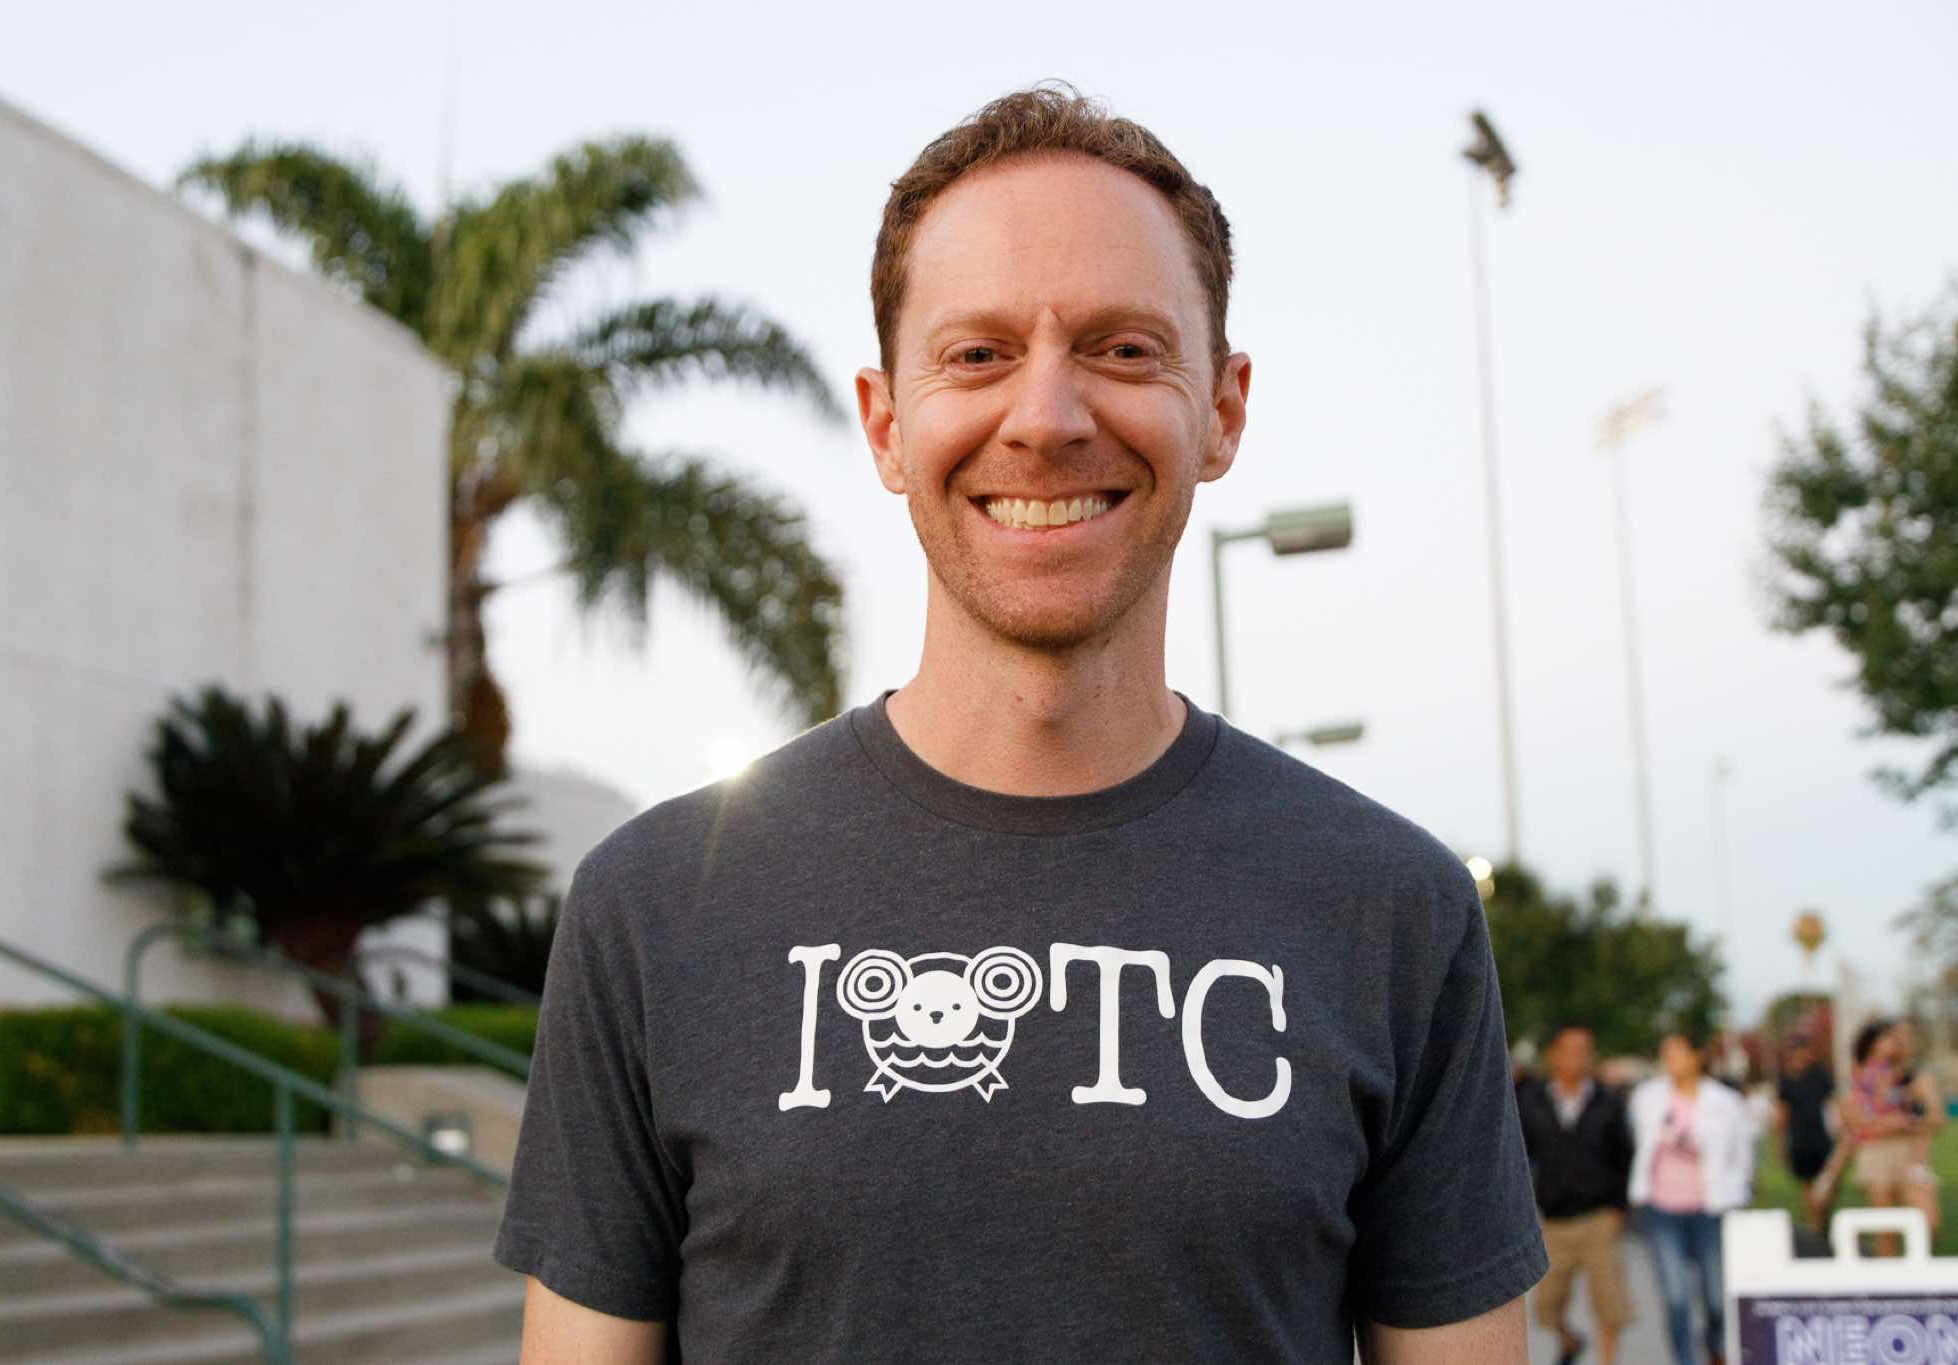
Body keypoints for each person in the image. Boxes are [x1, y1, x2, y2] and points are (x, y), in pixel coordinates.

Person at [493, 85, 1547, 1363]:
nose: (1045, 418)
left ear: (1222, 409)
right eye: (978, 355)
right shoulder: (654, 908)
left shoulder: (1393, 912)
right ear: (886, 423)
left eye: (1122, 349)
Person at [1627, 1029, 1753, 1365]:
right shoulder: (1648, 1098)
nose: (1672, 1060)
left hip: (1710, 1208)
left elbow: (1742, 1156)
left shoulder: (1725, 1102)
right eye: (1666, 1053)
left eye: (1679, 1052)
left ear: (1697, 1056)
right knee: (1676, 1296)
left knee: (1716, 1296)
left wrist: (1738, 1193)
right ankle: (1684, 1359)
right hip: (1662, 1209)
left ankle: (1716, 1347)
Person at [1516, 1024, 1634, 1365]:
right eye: (1569, 1050)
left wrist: (1619, 1207)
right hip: (1554, 1220)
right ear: (1554, 1054)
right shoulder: (1532, 1101)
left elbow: (1624, 1155)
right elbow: (1517, 1155)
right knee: (1546, 1306)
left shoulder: (1607, 1101)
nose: (1577, 1058)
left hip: (1598, 1216)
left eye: (1584, 1050)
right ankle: (1569, 1340)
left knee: (1609, 1303)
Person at [1842, 1016, 1944, 1249]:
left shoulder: (1913, 1077)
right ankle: (1888, 1270)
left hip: (1911, 1154)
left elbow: (1935, 1117)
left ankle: (1920, 1268)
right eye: (1890, 1037)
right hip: (1875, 1153)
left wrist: (1905, 1123)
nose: (1897, 1042)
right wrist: (1884, 1124)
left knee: (1927, 1222)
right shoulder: (1861, 1078)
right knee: (1884, 1227)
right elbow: (1853, 1119)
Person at [1772, 1032, 1835, 1225]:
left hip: (1822, 1139)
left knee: (1827, 1184)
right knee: (1808, 1186)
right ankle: (1814, 1224)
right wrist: (1781, 1143)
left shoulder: (1820, 1076)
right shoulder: (1786, 1080)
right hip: (1800, 1141)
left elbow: (1832, 1105)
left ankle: (1823, 1222)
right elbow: (1782, 1113)